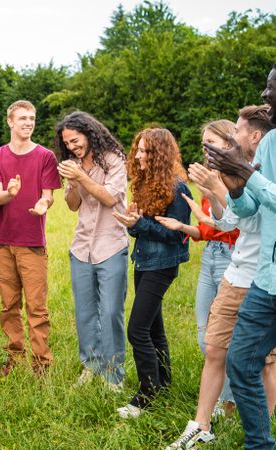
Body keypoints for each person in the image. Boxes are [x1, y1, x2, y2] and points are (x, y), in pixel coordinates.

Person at [166, 106, 276, 448]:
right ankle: (200, 425)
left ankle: (261, 426)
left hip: (263, 279)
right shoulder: (238, 170)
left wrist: (221, 187)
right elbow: (230, 221)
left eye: (234, 135)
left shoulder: (263, 168)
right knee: (214, 350)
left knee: (264, 363)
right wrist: (217, 189)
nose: (214, 148)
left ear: (252, 137)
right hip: (237, 273)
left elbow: (255, 220)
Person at [205, 64, 276, 449]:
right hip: (266, 280)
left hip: (261, 275)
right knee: (239, 361)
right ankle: (259, 443)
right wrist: (232, 185)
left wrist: (244, 176)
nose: (265, 95)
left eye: (271, 88)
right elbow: (250, 210)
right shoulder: (269, 145)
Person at [156, 120, 240, 413]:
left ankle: (228, 401)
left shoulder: (240, 177)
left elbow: (235, 222)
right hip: (211, 256)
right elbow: (207, 230)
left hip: (234, 257)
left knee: (225, 336)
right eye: (204, 142)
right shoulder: (208, 179)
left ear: (230, 143)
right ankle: (223, 393)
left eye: (212, 142)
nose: (206, 148)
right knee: (205, 335)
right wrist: (181, 225)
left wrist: (215, 192)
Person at [113, 128, 191, 418]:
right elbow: (143, 228)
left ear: (160, 155)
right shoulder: (146, 183)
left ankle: (146, 395)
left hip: (162, 265)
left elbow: (177, 235)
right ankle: (164, 385)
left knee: (137, 330)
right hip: (144, 261)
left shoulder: (178, 187)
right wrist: (133, 223)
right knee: (154, 329)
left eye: (146, 151)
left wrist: (140, 225)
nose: (139, 156)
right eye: (139, 150)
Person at [0, 100, 61, 376]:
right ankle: (14, 357)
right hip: (4, 241)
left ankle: (42, 363)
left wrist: (43, 204)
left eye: (32, 118)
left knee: (37, 307)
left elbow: (48, 195)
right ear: (10, 122)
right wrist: (10, 195)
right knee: (9, 305)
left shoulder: (45, 157)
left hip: (32, 242)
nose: (28, 123)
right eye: (22, 118)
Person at [55, 111, 128, 390]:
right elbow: (73, 204)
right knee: (85, 312)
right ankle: (91, 365)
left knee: (110, 312)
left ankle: (113, 374)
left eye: (76, 140)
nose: (72, 147)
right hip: (82, 247)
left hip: (111, 244)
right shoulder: (73, 164)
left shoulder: (113, 160)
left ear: (89, 133)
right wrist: (73, 183)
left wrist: (82, 177)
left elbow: (110, 197)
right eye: (68, 144)